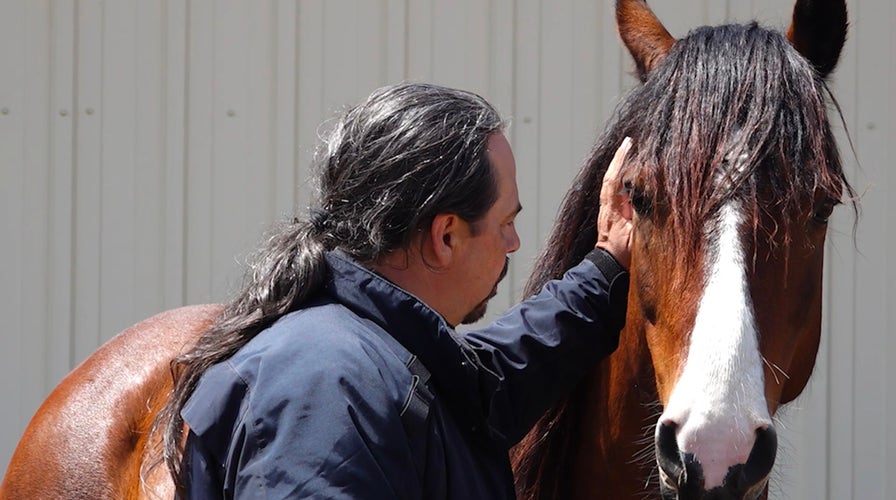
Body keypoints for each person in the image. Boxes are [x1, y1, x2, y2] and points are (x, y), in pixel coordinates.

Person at [159, 82, 633, 499]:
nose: (513, 243)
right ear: (446, 236)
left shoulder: (379, 354)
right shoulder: (324, 387)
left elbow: (496, 376)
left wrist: (607, 263)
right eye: (506, 222)